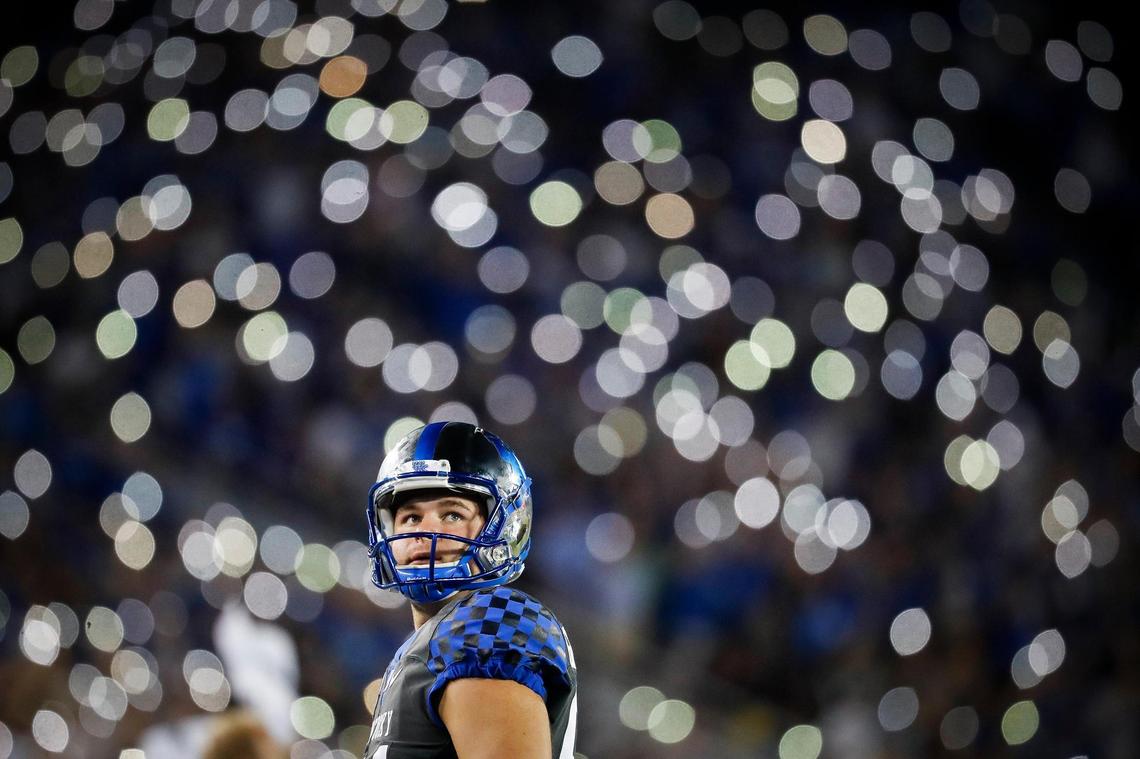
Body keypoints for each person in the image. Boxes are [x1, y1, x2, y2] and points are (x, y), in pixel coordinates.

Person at [362, 421, 578, 759]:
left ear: (506, 525)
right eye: (410, 518)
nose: (425, 531)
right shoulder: (427, 643)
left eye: (451, 514)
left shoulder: (486, 622)